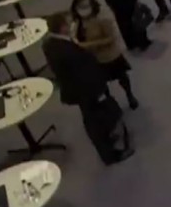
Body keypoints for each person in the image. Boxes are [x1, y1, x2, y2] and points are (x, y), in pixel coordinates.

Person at [42, 12, 134, 165]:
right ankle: (110, 155)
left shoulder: (51, 44)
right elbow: (81, 72)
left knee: (96, 116)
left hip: (79, 89)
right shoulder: (65, 50)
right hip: (87, 90)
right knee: (95, 121)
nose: (71, 25)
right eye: (68, 23)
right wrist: (98, 89)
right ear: (62, 27)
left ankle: (107, 138)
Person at [71, 0, 138, 110]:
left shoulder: (102, 18)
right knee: (101, 83)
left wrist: (88, 45)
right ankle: (109, 100)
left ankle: (130, 95)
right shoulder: (77, 22)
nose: (83, 9)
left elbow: (111, 38)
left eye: (86, 6)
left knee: (122, 77)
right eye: (80, 6)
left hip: (109, 56)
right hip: (92, 59)